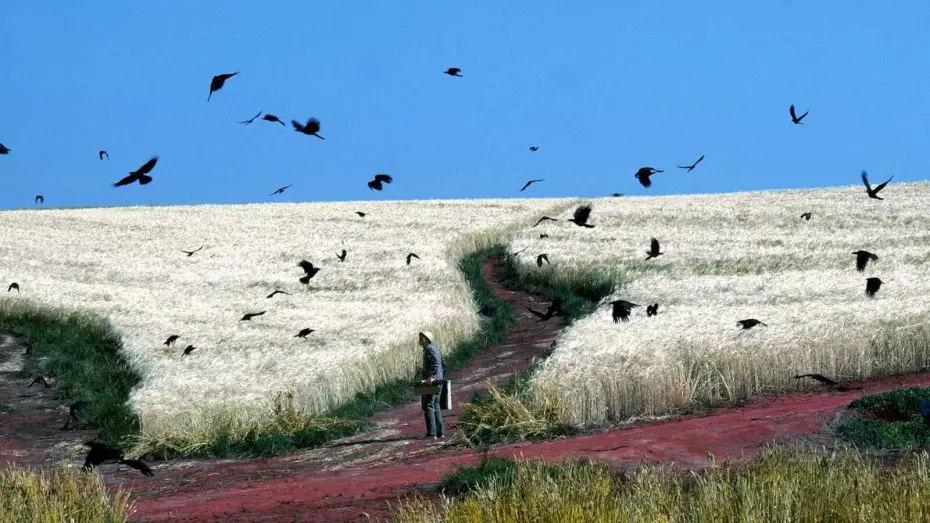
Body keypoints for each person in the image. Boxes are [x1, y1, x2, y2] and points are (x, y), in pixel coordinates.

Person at [419, 331, 445, 439]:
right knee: (436, 405)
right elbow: (443, 363)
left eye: (422, 337)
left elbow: (435, 363)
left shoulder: (429, 349)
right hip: (438, 380)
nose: (420, 339)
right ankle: (440, 432)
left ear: (427, 339)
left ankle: (432, 433)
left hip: (432, 381)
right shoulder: (435, 349)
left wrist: (432, 376)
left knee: (429, 405)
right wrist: (440, 376)